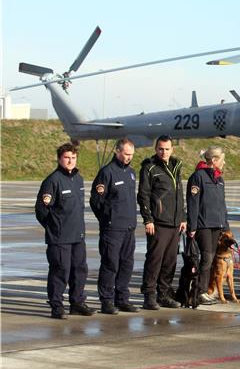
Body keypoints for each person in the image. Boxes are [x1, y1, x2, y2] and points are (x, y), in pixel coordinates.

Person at [36, 143, 95, 319]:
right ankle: (56, 306)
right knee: (60, 271)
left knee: (79, 270)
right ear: (59, 159)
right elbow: (41, 211)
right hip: (60, 238)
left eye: (73, 158)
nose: (70, 161)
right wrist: (54, 228)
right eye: (67, 158)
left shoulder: (78, 179)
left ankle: (77, 303)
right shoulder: (52, 181)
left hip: (78, 235)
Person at [90, 138, 140, 314]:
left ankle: (122, 298)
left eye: (131, 155)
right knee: (110, 264)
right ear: (117, 152)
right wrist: (108, 219)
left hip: (128, 228)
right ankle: (107, 300)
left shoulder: (131, 173)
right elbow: (96, 201)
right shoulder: (107, 172)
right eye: (126, 154)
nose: (129, 157)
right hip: (112, 229)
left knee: (126, 264)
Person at [137, 135, 186, 310]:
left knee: (170, 262)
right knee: (154, 261)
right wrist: (148, 219)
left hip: (175, 224)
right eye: (160, 149)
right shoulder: (149, 168)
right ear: (156, 149)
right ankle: (149, 295)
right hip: (158, 223)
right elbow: (143, 195)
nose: (163, 152)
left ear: (172, 149)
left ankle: (163, 294)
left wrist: (183, 217)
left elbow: (179, 194)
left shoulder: (176, 165)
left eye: (167, 149)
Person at [186, 146, 229, 305]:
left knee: (210, 260)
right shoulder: (198, 177)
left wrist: (226, 226)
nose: (224, 163)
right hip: (203, 225)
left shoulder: (220, 179)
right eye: (222, 160)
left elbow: (222, 205)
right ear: (214, 160)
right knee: (206, 258)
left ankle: (204, 289)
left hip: (217, 225)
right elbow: (193, 203)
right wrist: (192, 226)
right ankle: (199, 291)